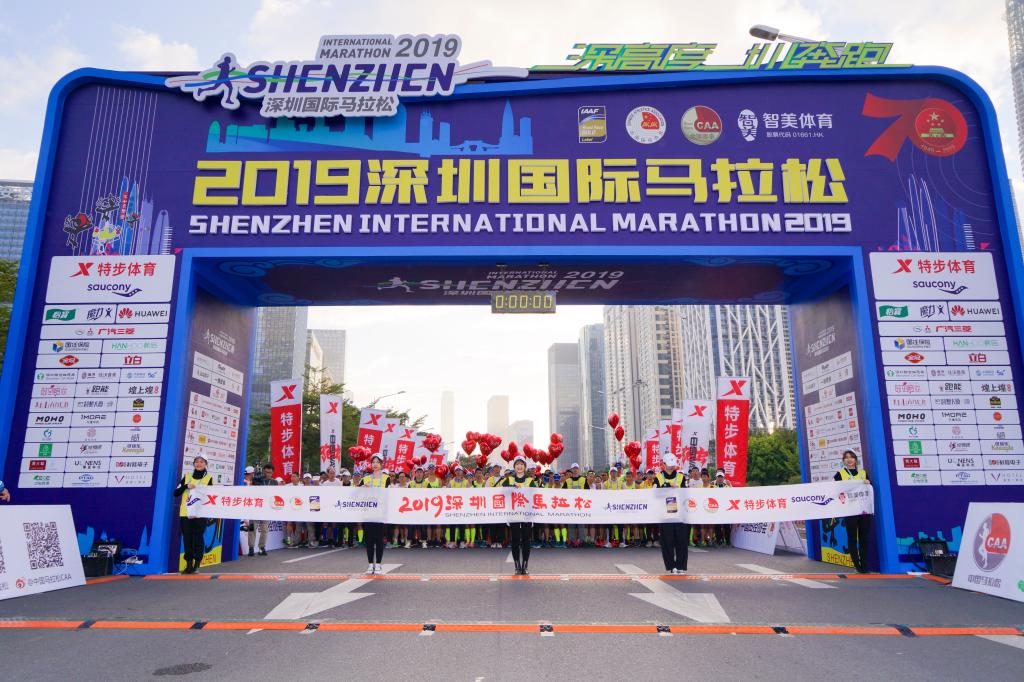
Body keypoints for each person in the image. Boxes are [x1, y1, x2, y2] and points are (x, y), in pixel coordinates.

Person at [173, 455, 213, 574]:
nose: (199, 464)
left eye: (201, 462)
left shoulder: (209, 478)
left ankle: (197, 563)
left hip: (200, 513)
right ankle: (189, 564)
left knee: (198, 538)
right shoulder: (187, 477)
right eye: (196, 462)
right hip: (185, 513)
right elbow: (176, 493)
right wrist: (186, 486)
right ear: (193, 464)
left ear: (206, 464)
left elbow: (211, 496)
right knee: (187, 539)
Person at [834, 450, 872, 573]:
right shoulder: (839, 474)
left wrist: (868, 483)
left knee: (863, 538)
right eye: (846, 457)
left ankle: (864, 565)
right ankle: (857, 565)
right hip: (850, 511)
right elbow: (835, 490)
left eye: (851, 457)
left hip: (864, 511)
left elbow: (870, 489)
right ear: (843, 461)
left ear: (855, 460)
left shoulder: (863, 473)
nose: (849, 459)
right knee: (852, 538)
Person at [655, 454, 689, 575]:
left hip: (679, 514)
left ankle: (681, 566)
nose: (671, 467)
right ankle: (671, 566)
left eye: (673, 465)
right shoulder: (658, 477)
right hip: (665, 515)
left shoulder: (681, 477)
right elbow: (655, 494)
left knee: (682, 541)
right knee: (667, 542)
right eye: (669, 465)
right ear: (664, 464)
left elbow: (686, 493)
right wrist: (667, 486)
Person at [503, 456, 536, 575]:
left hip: (527, 515)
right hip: (514, 514)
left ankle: (525, 565)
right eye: (517, 464)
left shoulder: (530, 480)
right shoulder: (509, 480)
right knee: (515, 540)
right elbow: (502, 492)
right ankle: (517, 566)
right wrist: (512, 488)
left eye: (522, 464)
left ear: (525, 467)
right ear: (514, 467)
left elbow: (535, 496)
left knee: (526, 540)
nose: (519, 466)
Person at [358, 454, 390, 574]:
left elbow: (388, 494)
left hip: (381, 514)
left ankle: (379, 565)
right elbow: (355, 493)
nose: (375, 464)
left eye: (377, 462)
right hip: (368, 513)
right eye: (373, 462)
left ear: (381, 464)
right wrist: (362, 488)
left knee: (379, 540)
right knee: (369, 540)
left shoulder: (386, 478)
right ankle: (370, 564)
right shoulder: (366, 478)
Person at [319, 466, 344, 547]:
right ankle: (325, 540)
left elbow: (341, 493)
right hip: (327, 506)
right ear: (328, 474)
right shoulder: (325, 484)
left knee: (334, 524)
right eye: (331, 473)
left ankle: (334, 540)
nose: (332, 474)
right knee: (325, 523)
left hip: (335, 506)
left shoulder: (339, 482)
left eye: (333, 473)